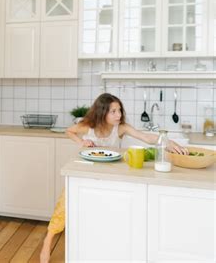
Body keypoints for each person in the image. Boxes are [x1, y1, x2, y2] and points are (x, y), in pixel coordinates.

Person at [40, 93, 187, 262]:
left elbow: (146, 137)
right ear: (102, 113)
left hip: (110, 173)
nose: (119, 115)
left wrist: (168, 142)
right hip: (86, 171)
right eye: (114, 111)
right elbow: (70, 131)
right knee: (65, 203)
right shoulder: (88, 125)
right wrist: (82, 143)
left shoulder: (121, 127)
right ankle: (48, 241)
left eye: (119, 110)